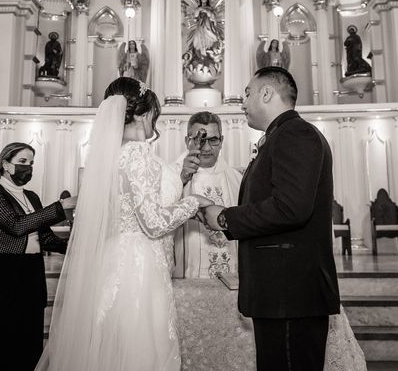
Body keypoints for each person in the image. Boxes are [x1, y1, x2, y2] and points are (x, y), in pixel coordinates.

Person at [35, 77, 213, 371]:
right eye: (154, 113)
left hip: (118, 262)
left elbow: (140, 203)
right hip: (138, 270)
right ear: (143, 114)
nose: (155, 121)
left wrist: (179, 177)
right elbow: (154, 223)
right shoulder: (136, 154)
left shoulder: (115, 155)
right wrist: (195, 202)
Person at [201, 67, 365, 371]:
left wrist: (225, 218)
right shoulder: (281, 135)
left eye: (248, 93)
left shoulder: (296, 134)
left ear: (267, 93)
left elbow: (291, 208)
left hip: (290, 293)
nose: (243, 101)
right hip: (281, 293)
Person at [0, 142, 77, 371]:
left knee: (27, 347)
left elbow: (44, 238)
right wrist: (62, 206)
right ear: (6, 164)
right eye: (23, 162)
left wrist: (76, 247)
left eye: (32, 163)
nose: (28, 167)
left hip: (29, 277)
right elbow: (16, 226)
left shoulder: (32, 198)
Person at [173, 111, 242, 278]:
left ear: (222, 141)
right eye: (199, 140)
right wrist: (181, 180)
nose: (206, 148)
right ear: (187, 141)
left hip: (232, 276)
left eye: (213, 140)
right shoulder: (171, 175)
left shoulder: (237, 179)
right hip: (187, 277)